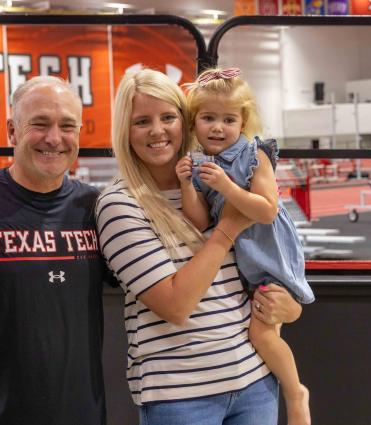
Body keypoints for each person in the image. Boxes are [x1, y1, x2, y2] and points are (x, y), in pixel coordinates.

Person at [95, 68, 303, 424]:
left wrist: (287, 307)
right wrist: (230, 226)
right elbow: (176, 305)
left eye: (168, 117)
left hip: (253, 381)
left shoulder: (215, 181)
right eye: (142, 121)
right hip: (182, 395)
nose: (158, 131)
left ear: (184, 122)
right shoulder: (119, 204)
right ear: (124, 132)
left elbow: (257, 267)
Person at [0, 76, 108, 425]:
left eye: (67, 126)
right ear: (12, 131)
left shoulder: (98, 209)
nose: (54, 138)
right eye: (40, 124)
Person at [178, 67, 313, 425]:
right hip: (246, 262)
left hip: (270, 253)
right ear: (194, 123)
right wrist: (188, 187)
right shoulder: (199, 164)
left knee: (260, 332)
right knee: (258, 330)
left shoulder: (254, 154)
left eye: (228, 119)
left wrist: (226, 186)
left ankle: (295, 393)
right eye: (208, 118)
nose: (218, 128)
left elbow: (266, 211)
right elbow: (201, 220)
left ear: (243, 121)